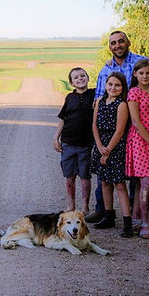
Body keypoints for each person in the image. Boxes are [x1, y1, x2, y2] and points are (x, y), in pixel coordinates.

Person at [86, 30, 149, 223]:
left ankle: (133, 213)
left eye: (121, 41)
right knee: (105, 168)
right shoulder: (106, 70)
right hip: (111, 127)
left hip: (137, 126)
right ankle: (103, 210)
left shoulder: (143, 62)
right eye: (113, 43)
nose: (117, 45)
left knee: (133, 170)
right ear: (109, 47)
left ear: (128, 42)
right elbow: (99, 98)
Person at [89, 72, 133, 237]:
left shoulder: (122, 104)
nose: (113, 88)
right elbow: (94, 125)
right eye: (110, 84)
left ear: (122, 88)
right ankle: (108, 216)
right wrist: (99, 146)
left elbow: (120, 130)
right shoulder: (100, 101)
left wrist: (107, 150)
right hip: (100, 145)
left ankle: (127, 222)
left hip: (115, 147)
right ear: (105, 85)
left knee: (119, 184)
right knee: (104, 182)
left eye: (117, 85)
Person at [126, 59, 149, 239]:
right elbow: (136, 122)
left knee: (142, 183)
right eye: (141, 73)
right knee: (146, 183)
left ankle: (136, 219)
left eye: (148, 73)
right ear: (135, 74)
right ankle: (144, 224)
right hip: (140, 141)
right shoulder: (134, 93)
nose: (145, 76)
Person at [53, 67, 93, 215]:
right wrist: (56, 137)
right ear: (71, 83)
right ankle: (71, 206)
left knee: (84, 176)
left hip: (86, 144)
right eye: (76, 78)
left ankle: (84, 207)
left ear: (88, 78)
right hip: (68, 143)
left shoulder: (95, 95)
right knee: (69, 177)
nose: (80, 79)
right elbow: (63, 118)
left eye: (83, 76)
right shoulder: (70, 98)